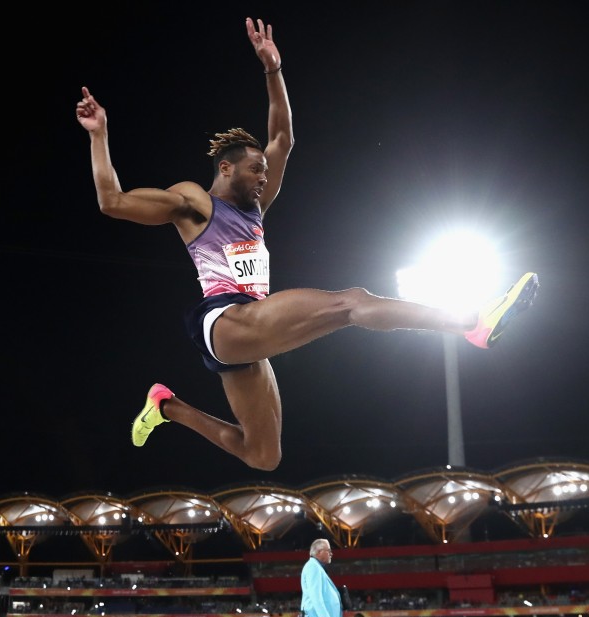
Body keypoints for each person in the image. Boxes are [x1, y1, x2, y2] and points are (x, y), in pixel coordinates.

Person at [76, 17, 539, 472]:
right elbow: (112, 201)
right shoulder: (195, 202)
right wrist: (100, 135)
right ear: (225, 169)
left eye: (264, 171)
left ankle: (166, 407)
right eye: (255, 170)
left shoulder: (255, 210)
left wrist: (272, 69)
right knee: (351, 302)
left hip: (250, 328)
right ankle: (472, 323)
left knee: (264, 455)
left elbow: (283, 137)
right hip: (226, 320)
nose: (264, 177)